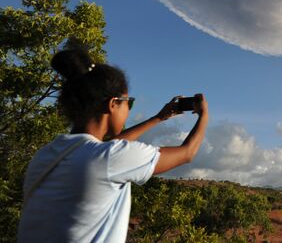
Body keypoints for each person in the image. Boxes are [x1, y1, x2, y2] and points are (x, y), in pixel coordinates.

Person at [16, 43, 209, 243]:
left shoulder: (46, 155)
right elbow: (187, 153)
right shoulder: (109, 159)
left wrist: (158, 118)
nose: (129, 110)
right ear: (113, 104)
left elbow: (104, 150)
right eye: (129, 102)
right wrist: (204, 115)